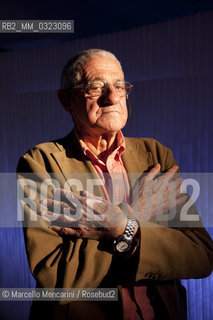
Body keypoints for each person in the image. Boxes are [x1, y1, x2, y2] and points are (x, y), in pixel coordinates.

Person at [17, 49, 213, 320]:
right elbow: (57, 279)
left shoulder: (155, 154)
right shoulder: (41, 163)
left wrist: (119, 228)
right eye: (95, 87)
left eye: (119, 86)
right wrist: (136, 218)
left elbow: (201, 256)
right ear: (66, 101)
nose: (111, 97)